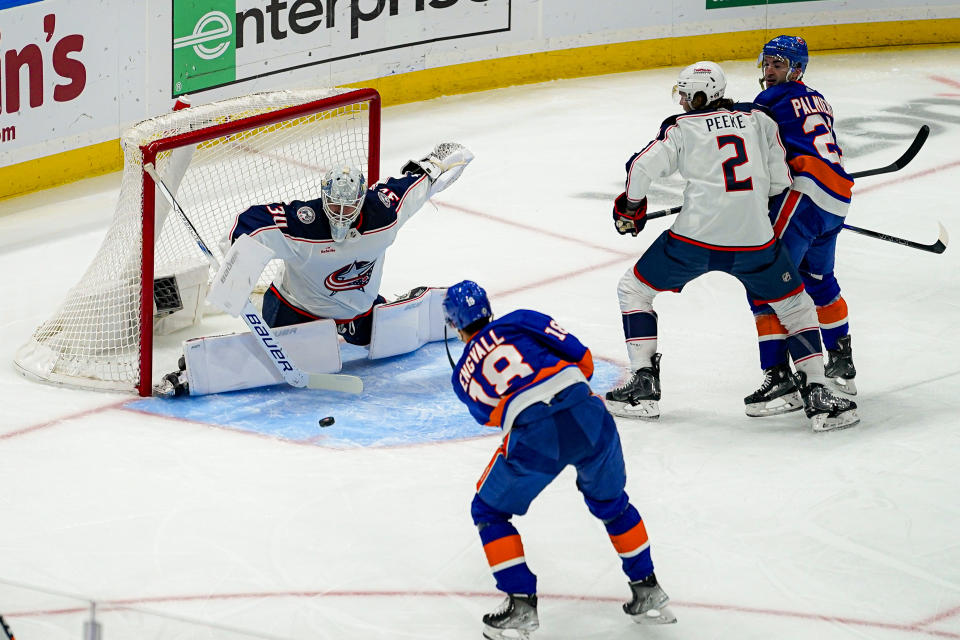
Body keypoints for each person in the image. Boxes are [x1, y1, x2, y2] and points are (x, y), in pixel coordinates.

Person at [604, 61, 859, 432]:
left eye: (686, 94)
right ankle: (818, 393)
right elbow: (778, 181)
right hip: (755, 241)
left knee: (634, 289)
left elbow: (641, 168)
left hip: (693, 241)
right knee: (797, 304)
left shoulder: (681, 127)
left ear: (698, 95)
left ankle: (643, 386)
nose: (683, 101)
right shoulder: (759, 118)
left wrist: (631, 207)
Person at [442, 280, 676, 639]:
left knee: (487, 511)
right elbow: (583, 360)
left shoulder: (462, 376)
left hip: (537, 435)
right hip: (589, 415)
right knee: (612, 504)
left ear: (456, 325)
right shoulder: (521, 319)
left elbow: (491, 417)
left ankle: (521, 604)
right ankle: (648, 589)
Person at [157, 143, 473, 396]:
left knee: (393, 340)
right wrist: (236, 266)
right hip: (296, 309)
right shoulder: (302, 223)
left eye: (349, 207)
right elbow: (249, 223)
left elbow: (418, 182)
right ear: (323, 198)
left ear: (362, 201)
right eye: (334, 205)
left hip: (356, 312)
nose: (340, 214)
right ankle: (190, 372)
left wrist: (439, 160)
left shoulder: (384, 215)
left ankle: (425, 307)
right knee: (270, 362)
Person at [744, 35, 857, 417]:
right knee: (818, 280)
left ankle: (781, 377)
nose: (770, 70)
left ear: (797, 69)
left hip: (806, 193)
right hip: (837, 197)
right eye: (767, 63)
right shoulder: (819, 99)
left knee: (765, 276)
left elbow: (755, 150)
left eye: (778, 64)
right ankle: (841, 358)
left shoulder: (769, 101)